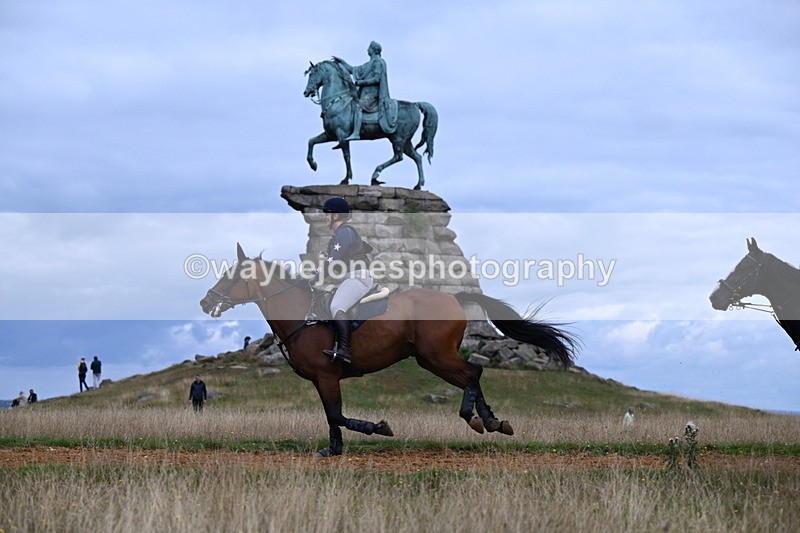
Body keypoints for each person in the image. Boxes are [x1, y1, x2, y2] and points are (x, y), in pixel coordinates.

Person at [319, 197, 374, 363]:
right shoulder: (340, 234)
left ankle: (345, 350)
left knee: (337, 306)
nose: (325, 217)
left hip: (358, 277)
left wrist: (315, 274)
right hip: (349, 278)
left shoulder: (345, 232)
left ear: (336, 215)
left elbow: (332, 261)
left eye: (327, 214)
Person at [332, 40, 397, 141]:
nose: (367, 49)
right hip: (364, 93)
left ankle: (356, 133)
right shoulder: (368, 64)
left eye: (369, 48)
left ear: (374, 50)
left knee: (358, 107)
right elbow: (352, 69)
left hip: (373, 94)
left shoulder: (379, 62)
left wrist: (361, 82)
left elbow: (377, 79)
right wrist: (342, 62)